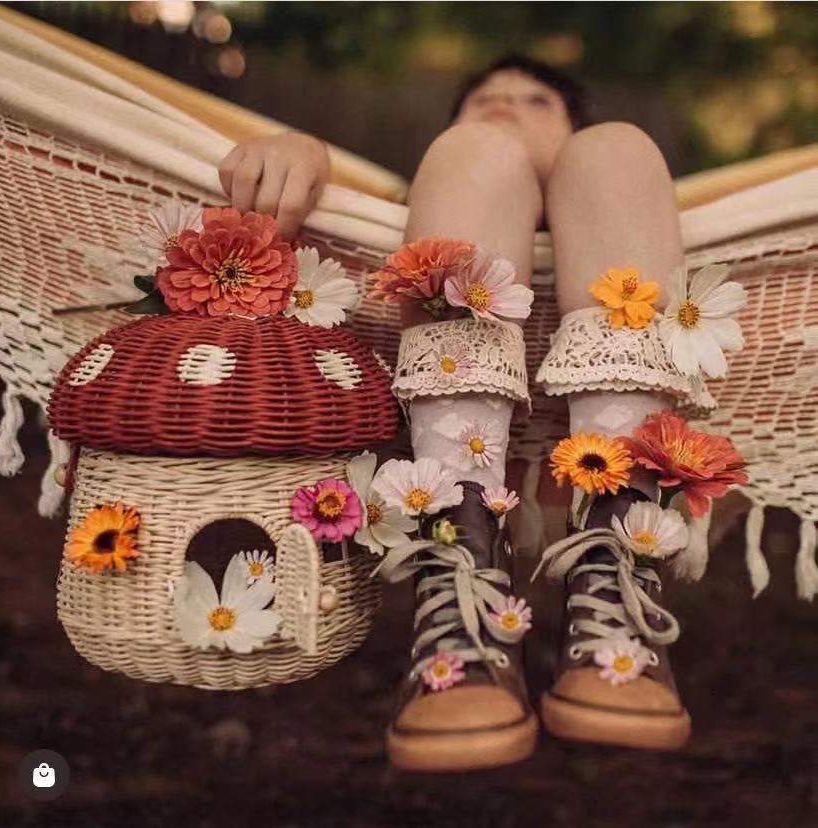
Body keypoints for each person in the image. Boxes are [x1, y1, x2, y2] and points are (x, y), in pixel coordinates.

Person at [218, 54, 727, 769]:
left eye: (534, 101)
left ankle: (615, 581)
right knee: (477, 160)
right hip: (432, 311)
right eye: (484, 97)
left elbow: (594, 154)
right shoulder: (445, 171)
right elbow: (350, 179)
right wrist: (300, 149)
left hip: (617, 224)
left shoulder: (602, 159)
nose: (505, 107)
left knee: (619, 150)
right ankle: (457, 585)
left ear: (566, 134)